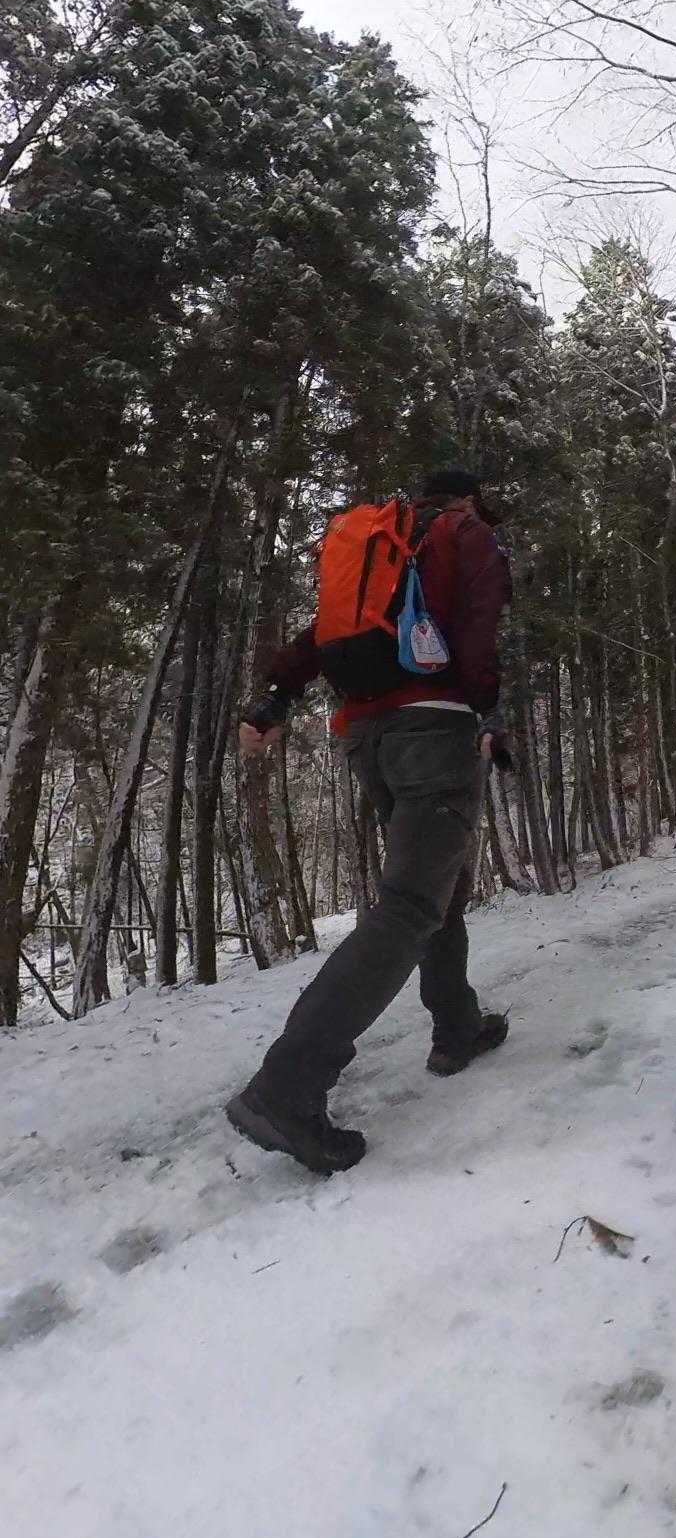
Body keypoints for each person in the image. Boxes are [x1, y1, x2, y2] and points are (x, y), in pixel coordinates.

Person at [226, 468, 513, 1176]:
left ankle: (457, 1025)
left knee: (438, 886)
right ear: (468, 500)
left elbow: (320, 635)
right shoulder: (465, 534)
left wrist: (274, 699)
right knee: (411, 905)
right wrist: (490, 710)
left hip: (368, 737)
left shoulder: (383, 551)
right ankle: (286, 1088)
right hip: (435, 732)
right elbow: (478, 626)